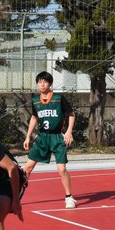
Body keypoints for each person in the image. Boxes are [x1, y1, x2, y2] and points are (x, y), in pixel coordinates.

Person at [22, 71, 77, 209]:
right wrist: (28, 136)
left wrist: (69, 132)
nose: (42, 84)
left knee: (61, 169)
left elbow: (71, 114)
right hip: (42, 137)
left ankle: (69, 197)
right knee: (27, 168)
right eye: (39, 82)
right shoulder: (35, 101)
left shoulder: (58, 98)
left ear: (50, 84)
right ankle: (16, 196)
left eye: (45, 82)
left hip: (57, 137)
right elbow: (34, 117)